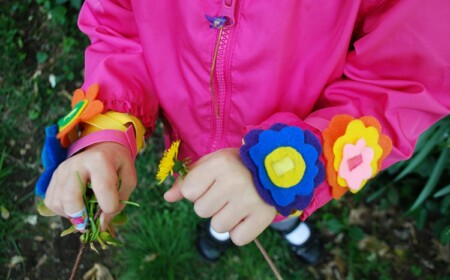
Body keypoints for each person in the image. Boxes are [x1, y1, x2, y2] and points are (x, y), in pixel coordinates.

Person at [38, 0, 450, 265]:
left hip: (303, 141)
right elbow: (120, 22)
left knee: (278, 207)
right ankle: (220, 228)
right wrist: (109, 125)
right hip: (191, 134)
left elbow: (405, 75)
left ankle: (285, 223)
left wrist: (283, 173)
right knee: (211, 199)